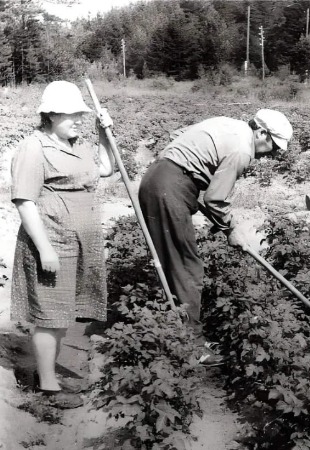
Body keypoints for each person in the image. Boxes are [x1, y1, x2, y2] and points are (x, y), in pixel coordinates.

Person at [137, 110, 293, 365]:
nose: (271, 154)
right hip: (169, 188)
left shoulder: (228, 124)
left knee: (174, 264)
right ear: (261, 132)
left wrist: (189, 178)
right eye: (273, 146)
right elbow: (215, 199)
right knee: (187, 268)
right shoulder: (242, 150)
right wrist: (232, 230)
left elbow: (178, 136)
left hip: (160, 178)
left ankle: (179, 332)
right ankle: (192, 346)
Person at [11, 80, 115, 409]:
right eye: (74, 115)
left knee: (62, 317)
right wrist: (45, 249)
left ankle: (47, 374)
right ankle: (47, 386)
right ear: (52, 115)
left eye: (82, 115)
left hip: (81, 244)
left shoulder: (78, 144)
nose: (80, 120)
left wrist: (103, 135)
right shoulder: (34, 147)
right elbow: (25, 202)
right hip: (52, 242)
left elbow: (105, 168)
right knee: (50, 317)